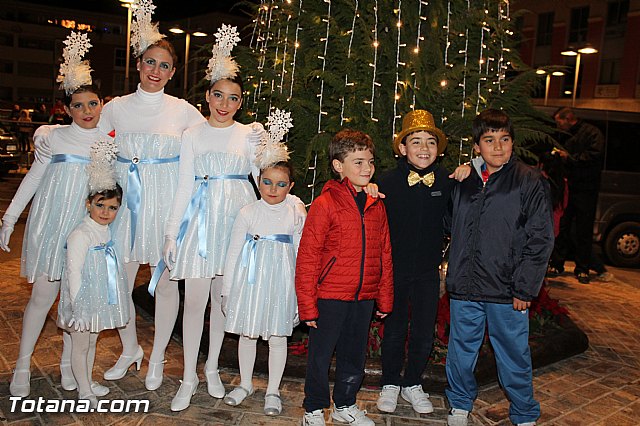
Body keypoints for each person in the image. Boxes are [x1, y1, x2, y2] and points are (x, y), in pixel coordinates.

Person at [159, 24, 274, 411]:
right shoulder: (192, 133)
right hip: (199, 224)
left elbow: (266, 184)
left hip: (235, 225)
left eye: (234, 98)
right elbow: (183, 185)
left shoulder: (249, 135)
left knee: (222, 303)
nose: (225, 104)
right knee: (193, 303)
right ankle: (188, 375)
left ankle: (211, 368)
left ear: (241, 102)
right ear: (208, 96)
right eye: (219, 96)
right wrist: (172, 234)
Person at [97, 1, 205, 389]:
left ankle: (158, 355)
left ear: (173, 72)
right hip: (126, 204)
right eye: (149, 62)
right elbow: (95, 149)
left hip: (166, 203)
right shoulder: (115, 108)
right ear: (139, 64)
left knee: (165, 283)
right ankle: (130, 349)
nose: (155, 70)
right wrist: (49, 136)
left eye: (163, 65)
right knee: (118, 284)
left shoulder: (184, 111)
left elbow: (210, 145)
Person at [0, 31, 108, 398]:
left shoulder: (109, 143)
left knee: (78, 301)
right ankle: (22, 366)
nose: (87, 111)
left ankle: (69, 368)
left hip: (87, 230)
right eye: (78, 106)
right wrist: (10, 217)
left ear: (101, 104)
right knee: (42, 298)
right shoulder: (54, 138)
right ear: (67, 109)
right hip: (52, 226)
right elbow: (32, 179)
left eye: (93, 104)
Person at [444, 109, 554, 426]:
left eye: (504, 139)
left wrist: (525, 287)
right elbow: (449, 224)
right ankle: (460, 403)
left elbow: (541, 238)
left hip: (507, 290)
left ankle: (523, 411)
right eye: (489, 140)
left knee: (514, 354)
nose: (498, 147)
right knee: (461, 350)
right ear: (477, 145)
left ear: (512, 142)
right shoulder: (464, 180)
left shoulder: (529, 180)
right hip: (465, 286)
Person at [296, 129, 394, 426]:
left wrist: (385, 297)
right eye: (359, 162)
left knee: (354, 355)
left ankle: (345, 404)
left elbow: (385, 253)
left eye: (370, 162)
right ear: (339, 166)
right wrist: (308, 305)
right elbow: (308, 256)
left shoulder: (377, 204)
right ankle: (313, 409)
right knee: (320, 356)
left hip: (363, 297)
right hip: (330, 297)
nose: (367, 169)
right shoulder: (326, 204)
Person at [376, 110, 454, 415]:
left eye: (430, 142)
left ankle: (412, 383)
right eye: (416, 141)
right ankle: (390, 383)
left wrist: (466, 172)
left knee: (423, 330)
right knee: (394, 329)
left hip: (427, 272)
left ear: (439, 148)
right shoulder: (386, 182)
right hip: (394, 271)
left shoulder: (447, 180)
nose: (424, 148)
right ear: (402, 148)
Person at [222, 152, 305, 415]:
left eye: (281, 184)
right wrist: (227, 291)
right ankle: (245, 384)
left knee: (277, 338)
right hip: (250, 283)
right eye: (267, 182)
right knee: (247, 334)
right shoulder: (247, 212)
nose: (273, 189)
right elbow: (234, 252)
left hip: (280, 284)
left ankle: (272, 390)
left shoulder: (294, 213)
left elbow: (301, 254)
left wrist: (300, 296)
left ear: (291, 187)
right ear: (258, 181)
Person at [57, 149, 130, 407]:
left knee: (91, 342)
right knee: (80, 345)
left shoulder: (105, 231)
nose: (106, 212)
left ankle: (85, 381)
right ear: (88, 203)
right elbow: (73, 272)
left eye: (113, 207)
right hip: (82, 301)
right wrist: (78, 308)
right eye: (100, 205)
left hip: (98, 297)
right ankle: (83, 391)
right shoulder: (81, 234)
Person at [549, 107, 605, 284]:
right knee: (563, 226)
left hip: (586, 188)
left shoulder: (592, 133)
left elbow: (594, 157)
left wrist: (570, 157)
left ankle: (582, 268)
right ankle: (558, 263)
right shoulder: (564, 134)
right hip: (567, 186)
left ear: (568, 119)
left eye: (559, 121)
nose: (558, 125)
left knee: (583, 229)